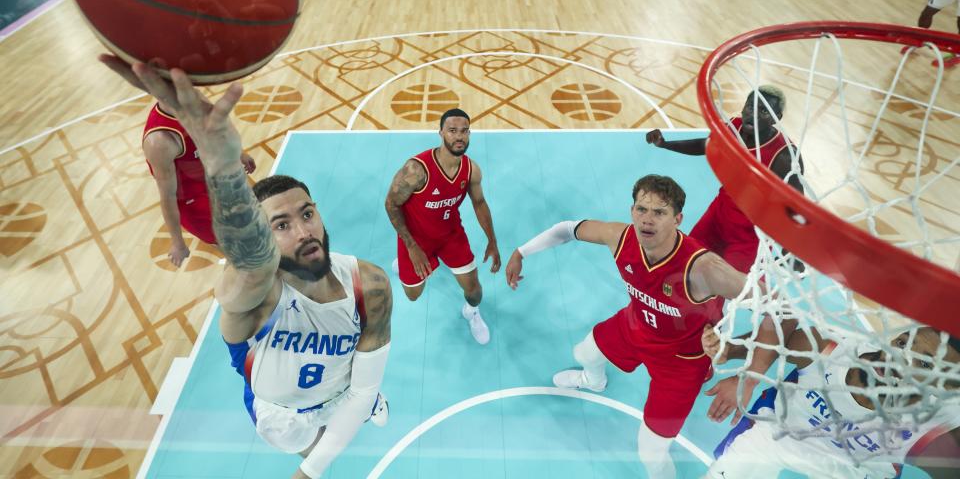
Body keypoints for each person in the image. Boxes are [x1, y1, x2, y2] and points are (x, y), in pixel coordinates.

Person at [104, 57, 392, 479]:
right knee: (313, 444)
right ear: (263, 232)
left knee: (358, 398)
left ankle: (356, 410)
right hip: (281, 413)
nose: (303, 232)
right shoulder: (253, 299)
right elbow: (254, 264)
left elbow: (365, 386)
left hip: (343, 388)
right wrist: (223, 170)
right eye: (281, 225)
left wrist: (312, 473)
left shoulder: (372, 284)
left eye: (307, 214)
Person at [503, 174, 750, 479]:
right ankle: (594, 382)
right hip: (636, 326)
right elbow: (566, 229)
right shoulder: (619, 238)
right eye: (641, 209)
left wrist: (740, 360)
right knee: (584, 353)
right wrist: (520, 252)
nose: (648, 220)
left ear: (678, 218)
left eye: (659, 212)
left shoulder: (705, 268)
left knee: (650, 453)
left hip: (682, 361)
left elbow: (778, 312)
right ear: (632, 210)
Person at [701, 319, 960, 478]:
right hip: (778, 437)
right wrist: (728, 350)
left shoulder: (933, 429)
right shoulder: (832, 350)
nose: (900, 356)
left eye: (924, 365)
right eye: (903, 343)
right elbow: (781, 339)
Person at [646, 87, 802, 273]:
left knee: (730, 287)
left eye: (763, 111)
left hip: (750, 234)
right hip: (719, 214)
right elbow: (706, 145)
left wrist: (793, 251)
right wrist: (665, 144)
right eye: (750, 107)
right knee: (686, 262)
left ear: (777, 117)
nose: (753, 114)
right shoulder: (732, 127)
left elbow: (796, 205)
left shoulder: (783, 155)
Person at [384, 109, 501, 344]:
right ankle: (403, 261)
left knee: (475, 291)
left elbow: (479, 202)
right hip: (416, 239)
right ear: (440, 133)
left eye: (464, 131)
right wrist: (411, 247)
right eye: (452, 130)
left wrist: (492, 241)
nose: (459, 136)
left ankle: (471, 312)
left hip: (450, 236)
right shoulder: (416, 170)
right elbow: (391, 204)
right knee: (414, 295)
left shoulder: (471, 170)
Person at [143, 101, 255, 266]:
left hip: (218, 182)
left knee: (257, 230)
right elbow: (168, 197)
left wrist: (239, 152)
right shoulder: (160, 141)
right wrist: (178, 243)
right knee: (241, 255)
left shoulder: (193, 99)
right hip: (195, 205)